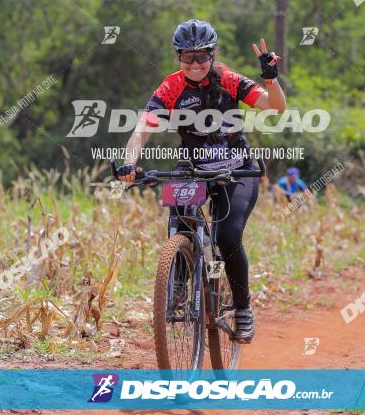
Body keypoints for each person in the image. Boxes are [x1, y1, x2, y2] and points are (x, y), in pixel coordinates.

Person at [115, 19, 286, 343]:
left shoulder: (228, 80)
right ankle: (178, 280)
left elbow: (275, 107)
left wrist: (270, 78)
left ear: (212, 54)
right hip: (194, 168)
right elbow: (141, 129)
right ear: (178, 56)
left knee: (228, 235)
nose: (195, 64)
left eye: (202, 57)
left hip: (237, 169)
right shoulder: (171, 87)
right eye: (187, 57)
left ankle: (242, 308)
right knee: (179, 217)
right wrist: (129, 164)